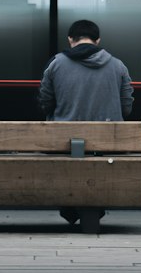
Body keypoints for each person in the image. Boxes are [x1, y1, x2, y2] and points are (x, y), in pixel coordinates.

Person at [38, 19, 134, 226]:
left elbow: (45, 100)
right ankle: (92, 208)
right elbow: (127, 106)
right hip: (106, 143)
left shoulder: (55, 63)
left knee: (69, 158)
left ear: (70, 39)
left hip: (65, 142)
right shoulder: (118, 66)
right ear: (97, 40)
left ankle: (71, 208)